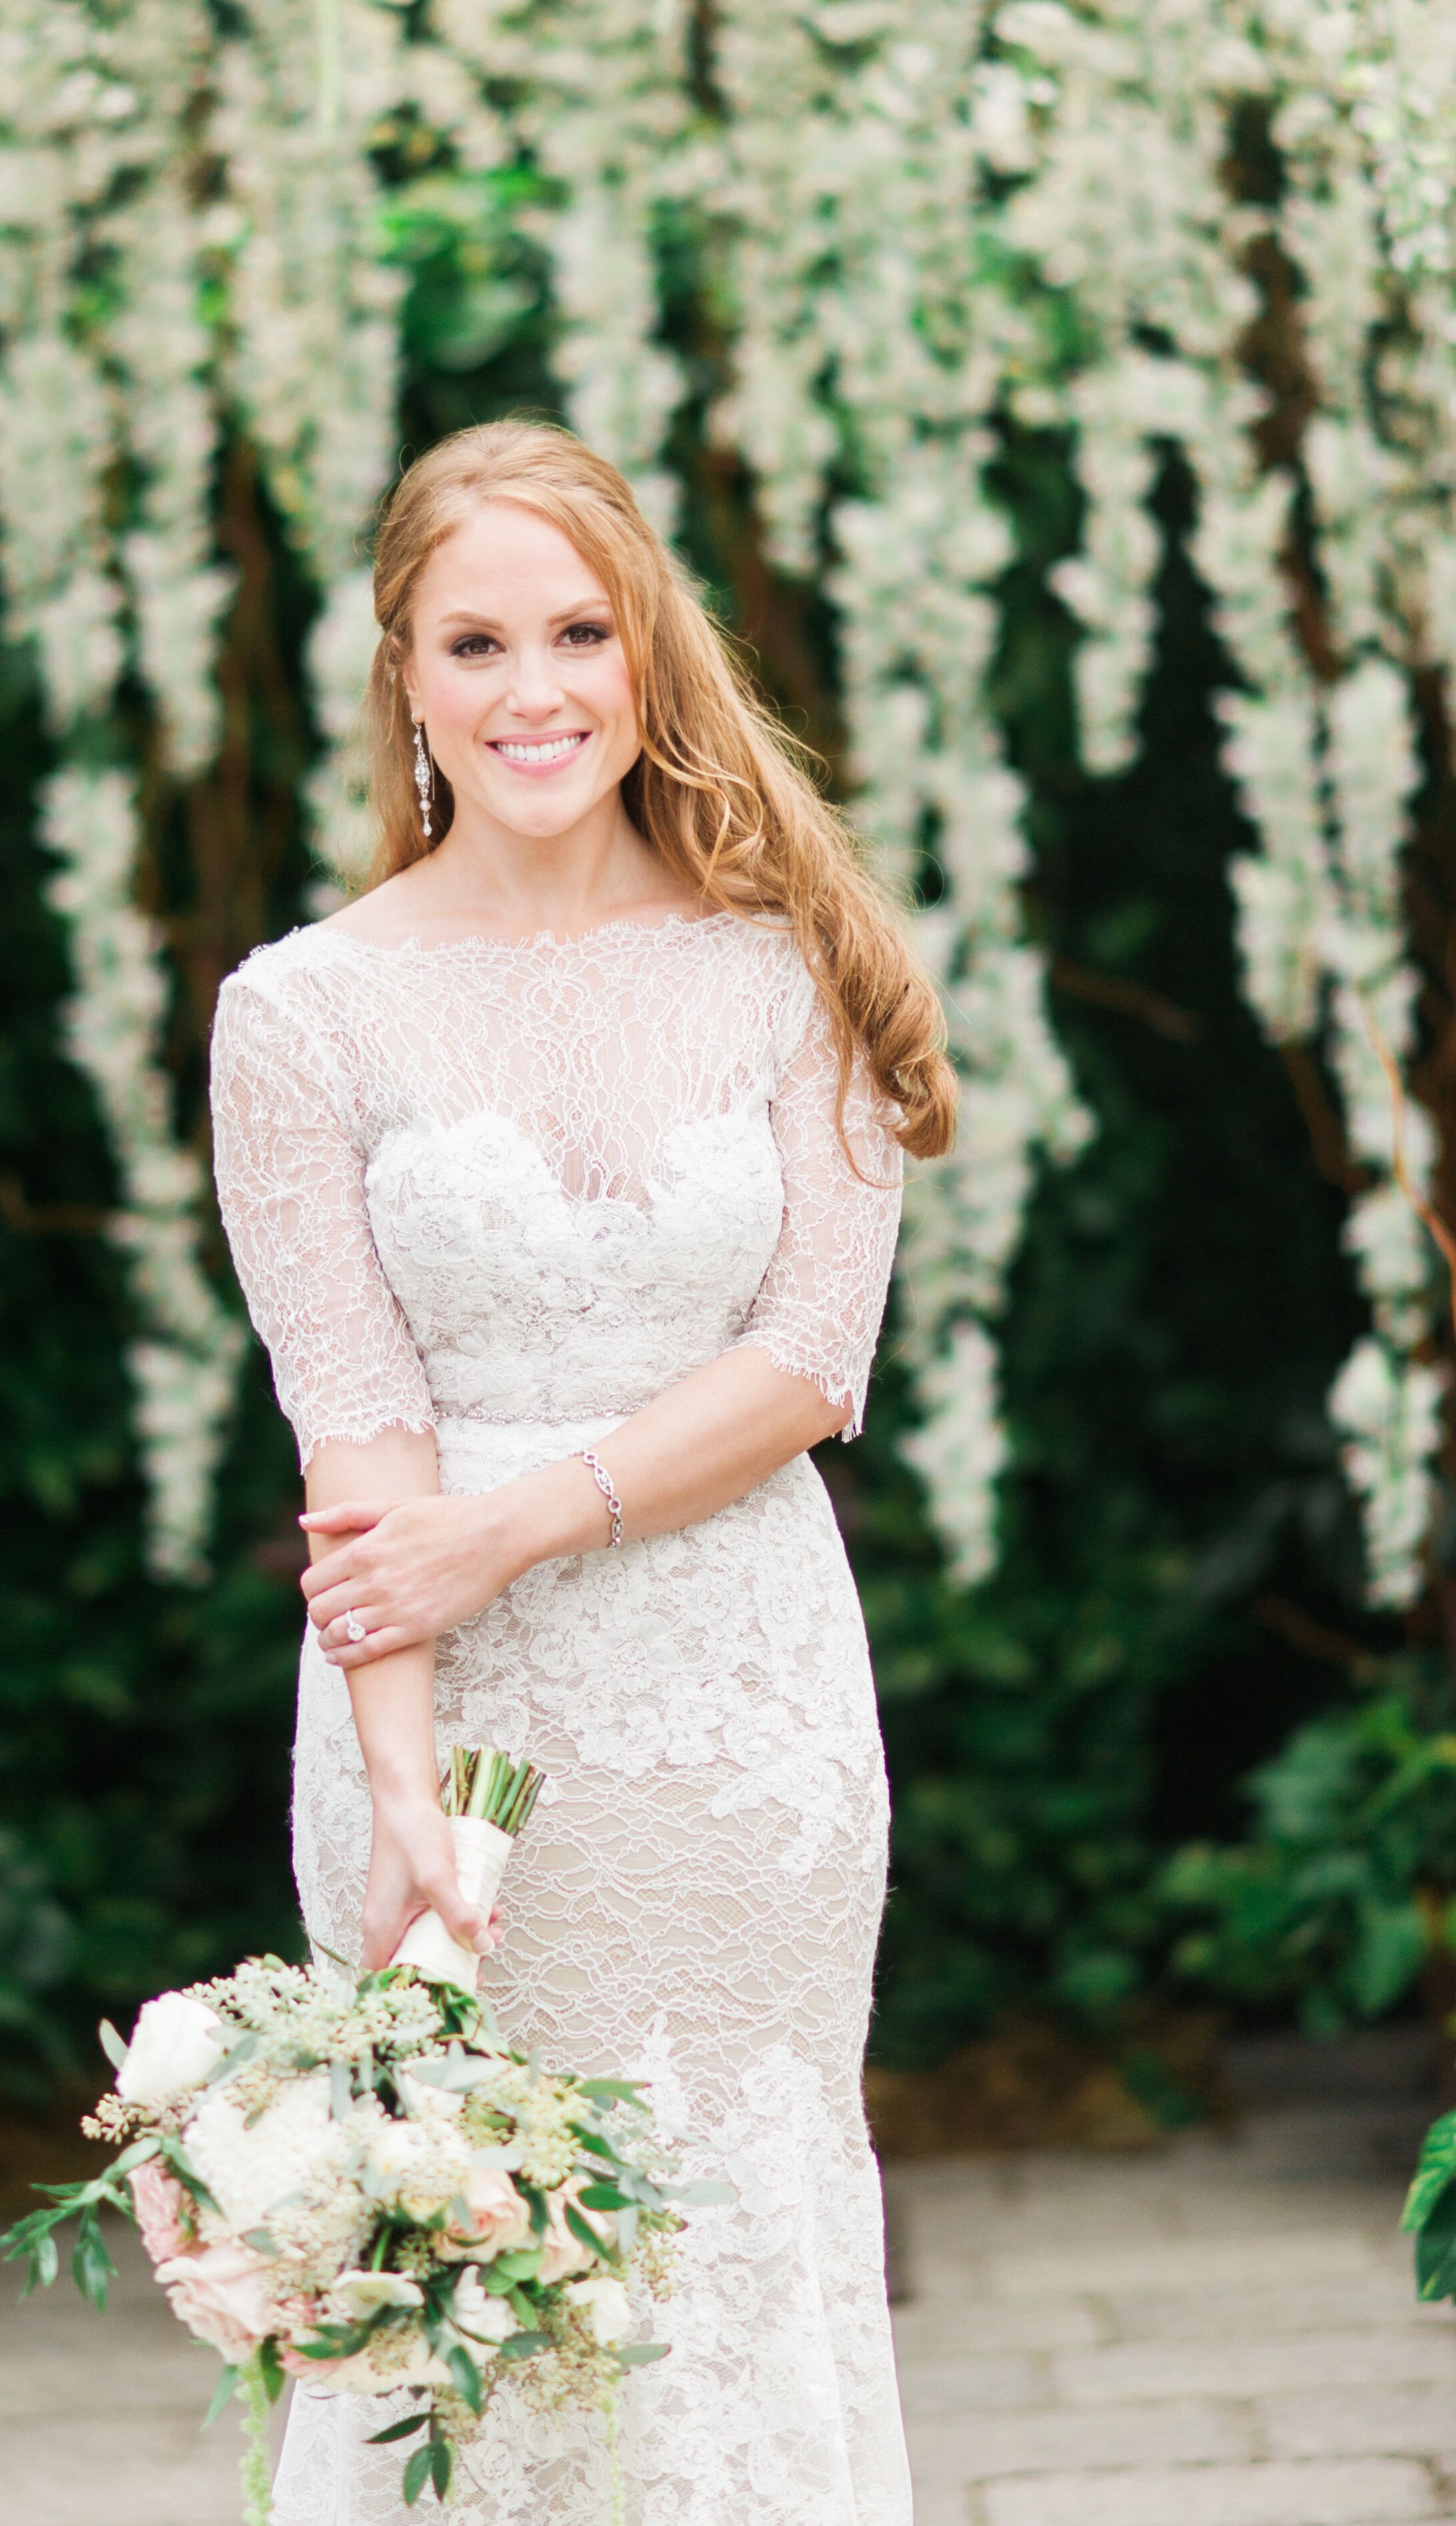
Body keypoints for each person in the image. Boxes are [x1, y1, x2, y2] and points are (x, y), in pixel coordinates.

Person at [209, 420, 956, 2526]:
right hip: (456, 1721)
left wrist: (508, 1529)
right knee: (461, 2245)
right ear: (406, 678)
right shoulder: (303, 1015)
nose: (532, 690)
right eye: (475, 641)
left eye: (576, 632)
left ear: (647, 656)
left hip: (743, 1709)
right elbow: (351, 1424)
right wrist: (403, 1785)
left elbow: (810, 1364)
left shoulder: (795, 963)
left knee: (738, 2205)